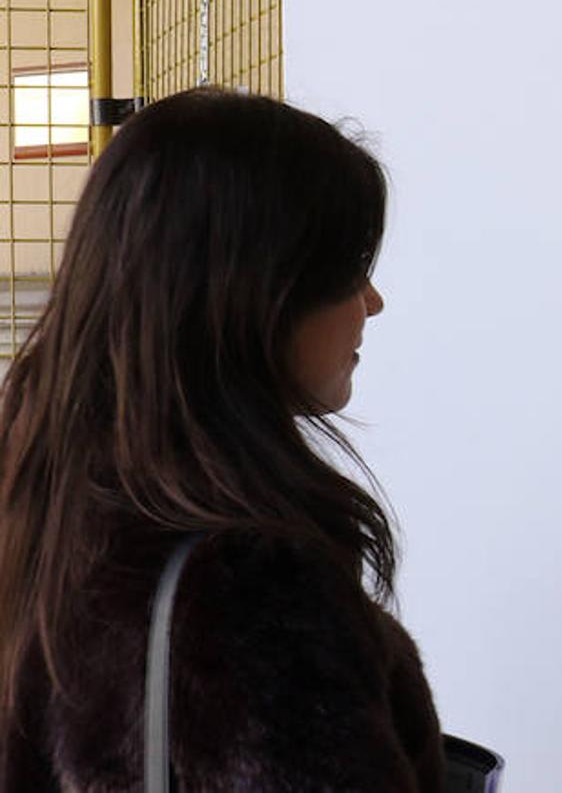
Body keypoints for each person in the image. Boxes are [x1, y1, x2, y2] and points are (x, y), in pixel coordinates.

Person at [0, 89, 444, 789]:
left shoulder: (46, 505)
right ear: (257, 292)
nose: (372, 301)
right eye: (349, 269)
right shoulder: (248, 587)